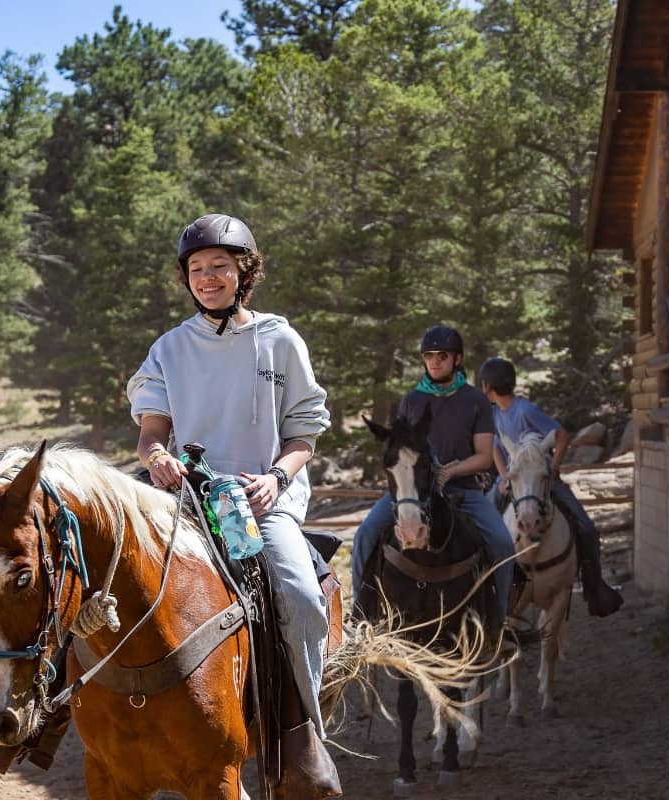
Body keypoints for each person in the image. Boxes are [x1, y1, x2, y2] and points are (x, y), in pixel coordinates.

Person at [126, 213, 340, 798]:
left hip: (257, 503)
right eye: (196, 269)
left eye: (219, 266)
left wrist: (276, 476)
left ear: (244, 272)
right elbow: (151, 432)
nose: (207, 278)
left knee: (297, 593)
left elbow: (303, 433)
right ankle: (55, 717)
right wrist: (156, 457)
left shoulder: (280, 339)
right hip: (187, 502)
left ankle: (303, 735)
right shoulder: (169, 348)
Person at [350, 325, 515, 623]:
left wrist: (449, 471)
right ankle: (362, 615)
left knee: (502, 543)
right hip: (413, 493)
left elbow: (484, 455)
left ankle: (497, 622)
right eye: (429, 356)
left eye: (442, 355)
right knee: (364, 535)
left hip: (463, 491)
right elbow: (400, 449)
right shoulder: (412, 401)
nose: (435, 361)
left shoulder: (475, 400)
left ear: (457, 359)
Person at [478, 357, 624, 617]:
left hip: (541, 480)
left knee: (586, 528)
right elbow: (494, 448)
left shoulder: (524, 410)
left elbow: (561, 435)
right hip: (513, 480)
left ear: (488, 387)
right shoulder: (493, 414)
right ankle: (481, 587)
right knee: (480, 525)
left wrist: (554, 467)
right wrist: (503, 478)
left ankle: (594, 587)